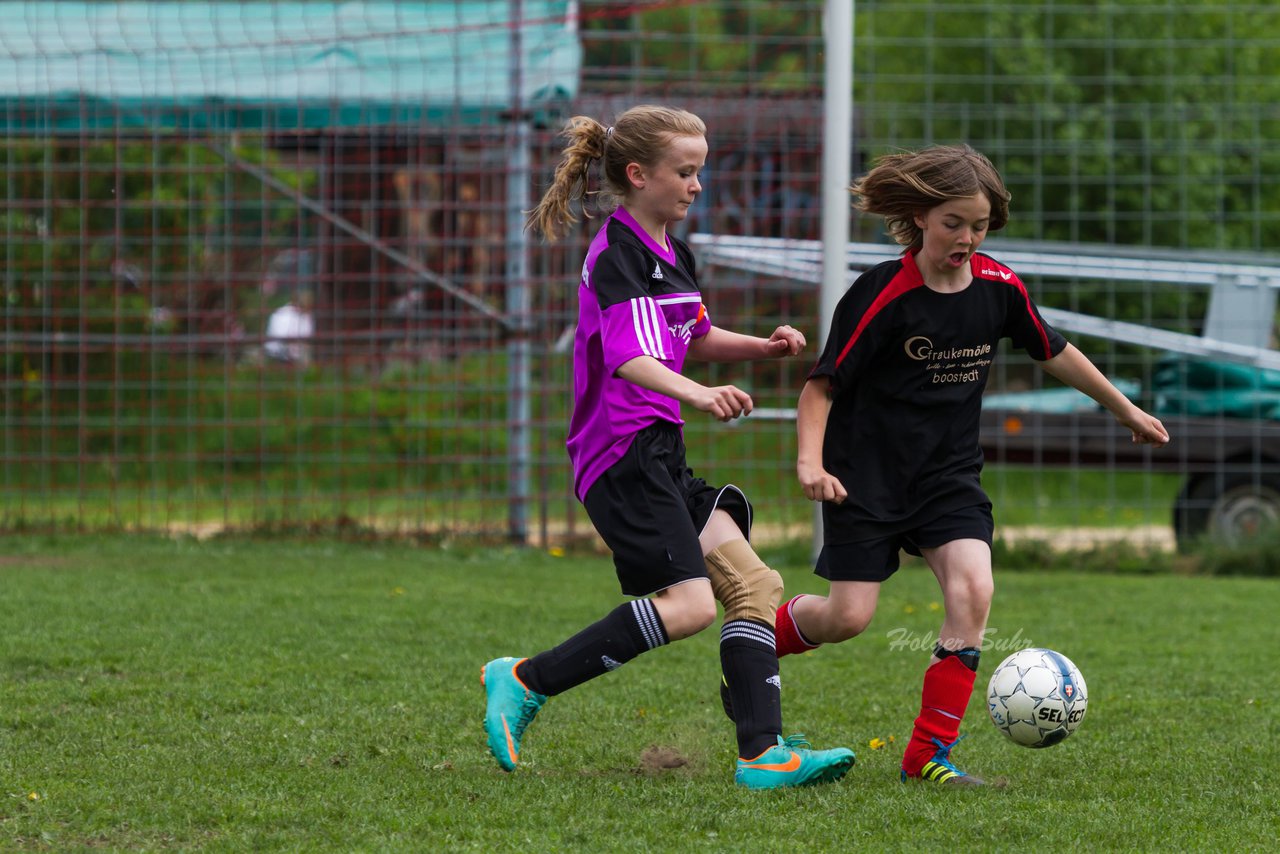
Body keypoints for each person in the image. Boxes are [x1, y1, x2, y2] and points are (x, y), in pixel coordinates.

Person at [766, 144, 1170, 786]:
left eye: (978, 225)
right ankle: (753, 650)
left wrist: (1126, 411)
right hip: (864, 476)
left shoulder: (998, 287)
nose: (966, 237)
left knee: (974, 590)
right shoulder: (883, 293)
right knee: (847, 619)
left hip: (947, 477)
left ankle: (927, 756)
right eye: (953, 222)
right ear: (922, 217)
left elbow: (1052, 349)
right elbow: (820, 387)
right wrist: (809, 462)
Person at [480, 105, 856, 788]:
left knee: (756, 586)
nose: (697, 185)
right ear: (638, 174)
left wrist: (760, 347)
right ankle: (525, 679)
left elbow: (694, 336)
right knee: (690, 606)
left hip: (658, 451)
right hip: (621, 456)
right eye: (685, 172)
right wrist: (700, 395)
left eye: (699, 172)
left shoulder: (674, 253)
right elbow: (629, 358)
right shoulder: (615, 253)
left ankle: (762, 755)